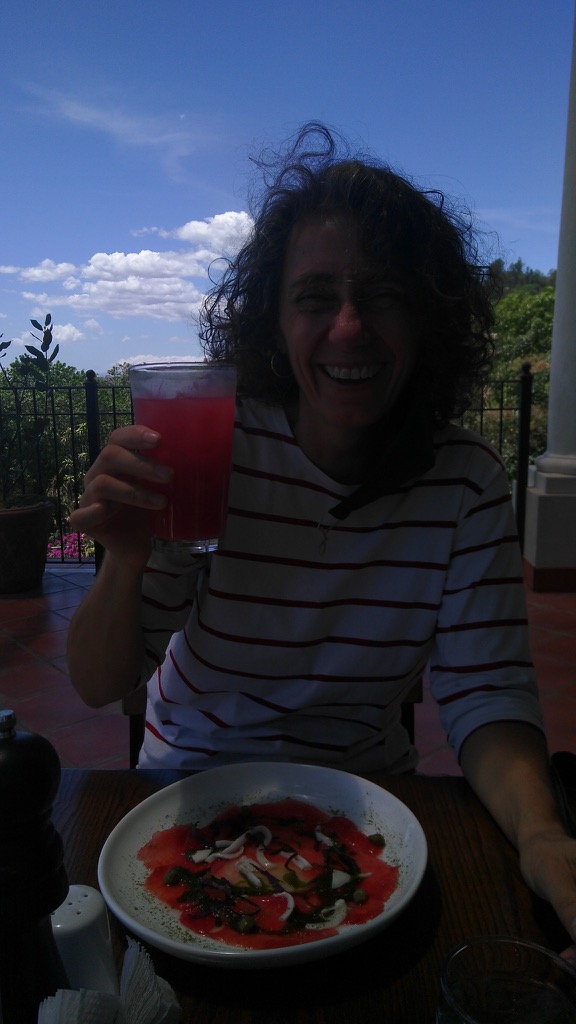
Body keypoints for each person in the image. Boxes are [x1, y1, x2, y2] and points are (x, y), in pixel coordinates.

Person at [67, 123, 576, 953]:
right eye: (313, 297)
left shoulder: (465, 482)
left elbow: (487, 696)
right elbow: (98, 684)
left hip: (368, 804)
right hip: (186, 791)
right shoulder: (209, 454)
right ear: (273, 323)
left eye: (384, 294)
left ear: (429, 317)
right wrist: (125, 562)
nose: (349, 326)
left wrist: (545, 836)